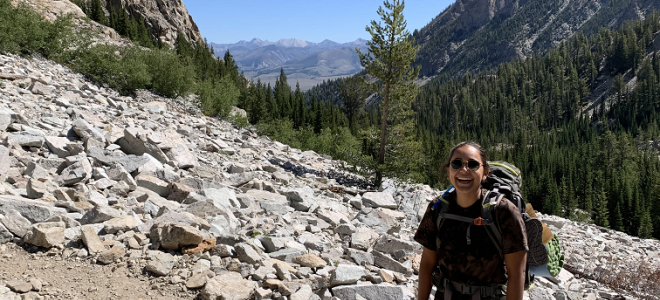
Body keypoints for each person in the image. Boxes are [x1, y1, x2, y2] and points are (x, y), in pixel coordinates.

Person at [415, 142, 528, 300]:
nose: (464, 170)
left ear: (485, 172)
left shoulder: (504, 211)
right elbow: (427, 264)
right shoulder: (438, 208)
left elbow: (517, 274)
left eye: (473, 165)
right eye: (456, 164)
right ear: (449, 171)